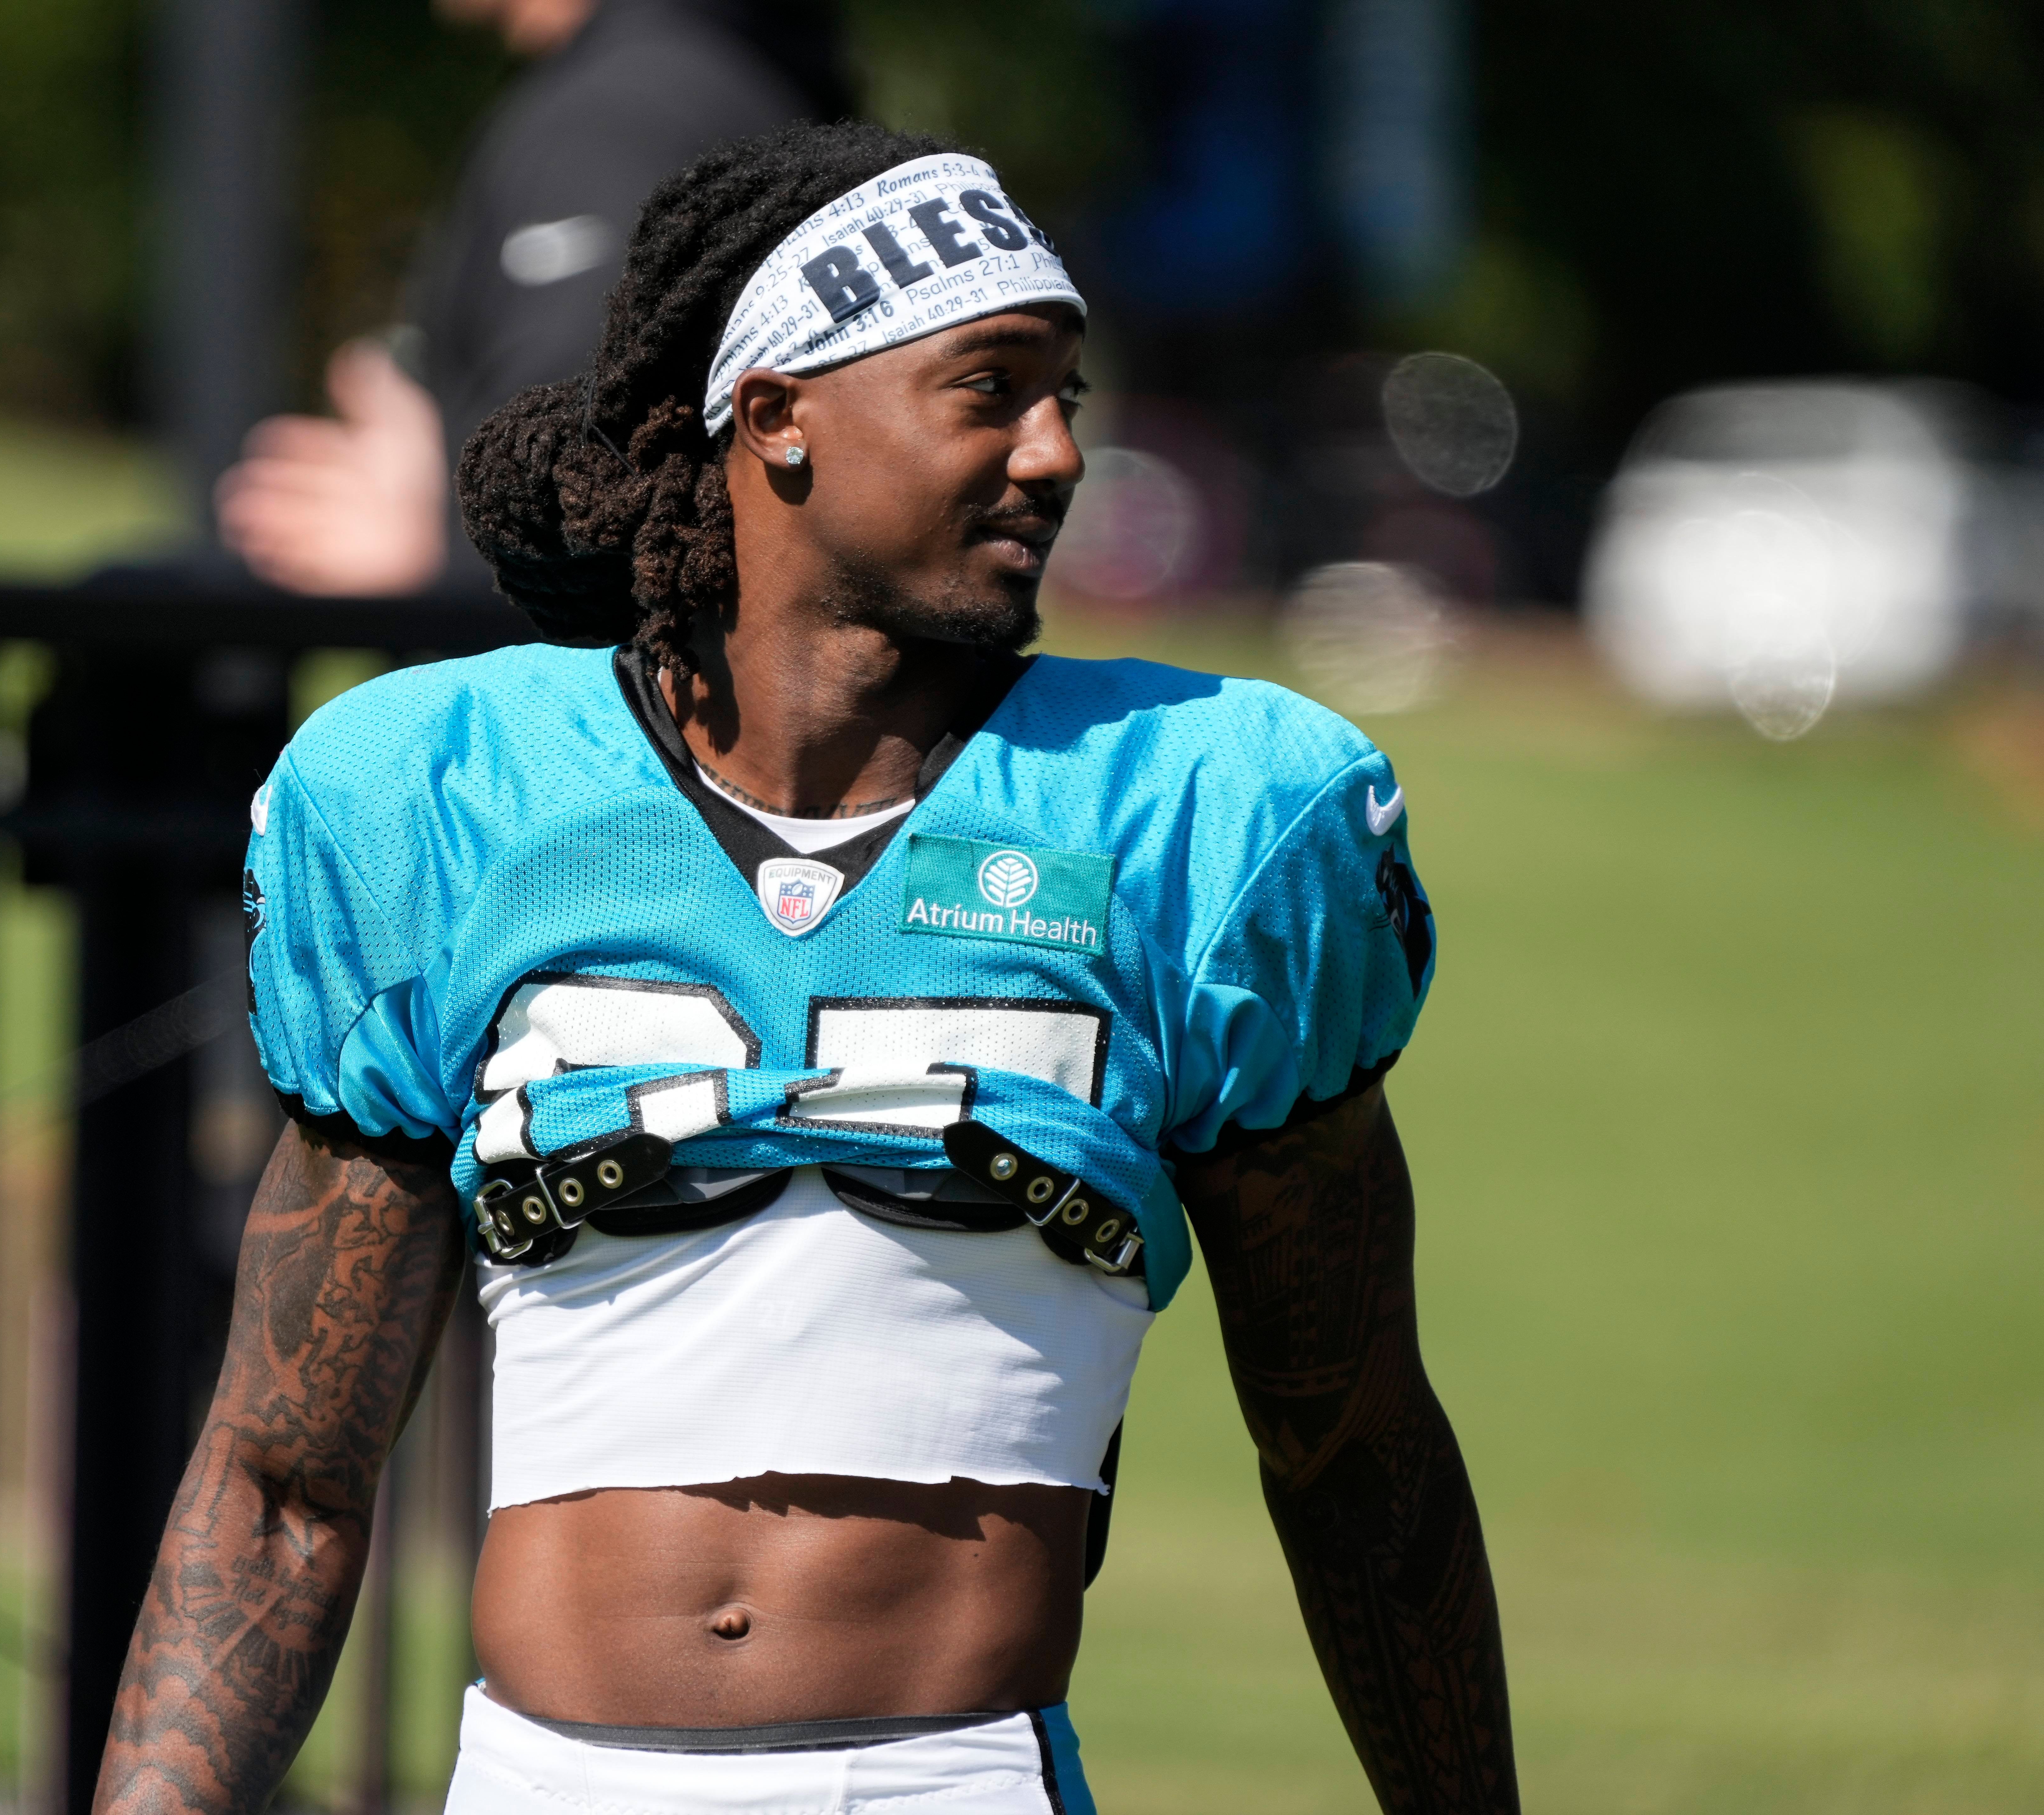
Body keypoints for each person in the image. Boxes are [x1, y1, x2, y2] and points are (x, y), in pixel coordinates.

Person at [101, 120, 1517, 1814]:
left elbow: (1353, 1459)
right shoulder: (452, 801)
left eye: (1065, 393)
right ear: (779, 415)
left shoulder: (1196, 814)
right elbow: (283, 1484)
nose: (1057, 452)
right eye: (990, 389)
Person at [216, 0, 848, 596]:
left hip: (577, 668)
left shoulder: (615, 117)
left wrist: (435, 551)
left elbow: (586, 479)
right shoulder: (727, 71)